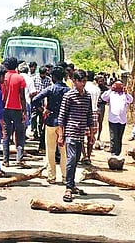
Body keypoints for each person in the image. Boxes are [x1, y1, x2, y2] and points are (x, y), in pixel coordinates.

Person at [58, 69, 94, 202]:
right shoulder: (69, 96)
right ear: (74, 81)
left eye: (85, 81)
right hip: (70, 132)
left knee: (76, 159)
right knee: (71, 159)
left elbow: (89, 115)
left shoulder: (87, 96)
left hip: (81, 133)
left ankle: (72, 185)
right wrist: (61, 135)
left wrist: (91, 133)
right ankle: (68, 187)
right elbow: (62, 117)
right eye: (80, 81)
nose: (83, 84)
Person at [32, 66, 70, 184]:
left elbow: (35, 99)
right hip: (64, 123)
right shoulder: (68, 90)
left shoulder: (50, 89)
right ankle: (65, 177)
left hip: (51, 121)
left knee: (50, 150)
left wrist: (43, 109)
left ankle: (51, 176)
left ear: (53, 77)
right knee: (64, 151)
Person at [1, 57, 28, 168]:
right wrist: (24, 110)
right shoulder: (20, 78)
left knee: (6, 134)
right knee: (20, 134)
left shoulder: (3, 77)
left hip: (5, 109)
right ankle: (19, 158)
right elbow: (22, 96)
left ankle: (6, 160)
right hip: (17, 108)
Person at [101, 80, 133, 156]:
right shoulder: (111, 93)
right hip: (113, 119)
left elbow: (131, 100)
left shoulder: (124, 95)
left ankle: (118, 152)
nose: (118, 87)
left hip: (122, 120)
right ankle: (113, 153)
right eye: (117, 85)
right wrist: (110, 89)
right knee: (113, 137)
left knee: (119, 137)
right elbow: (103, 97)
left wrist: (126, 92)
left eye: (120, 85)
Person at [82, 70, 101, 164]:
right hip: (94, 112)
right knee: (91, 136)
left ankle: (84, 154)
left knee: (81, 135)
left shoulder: (83, 87)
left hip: (83, 112)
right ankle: (88, 156)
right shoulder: (97, 89)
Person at [96, 74, 109, 141]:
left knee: (100, 122)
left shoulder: (106, 89)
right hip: (95, 105)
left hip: (101, 106)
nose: (101, 82)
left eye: (102, 81)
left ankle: (98, 136)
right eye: (99, 81)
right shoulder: (95, 88)